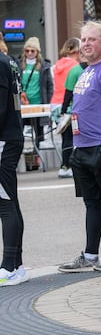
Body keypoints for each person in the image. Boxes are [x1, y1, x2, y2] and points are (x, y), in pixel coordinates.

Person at [57, 22, 101, 273]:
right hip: (81, 147)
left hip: (100, 148)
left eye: (92, 39)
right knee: (91, 203)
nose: (85, 44)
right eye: (83, 39)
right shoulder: (86, 70)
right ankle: (91, 254)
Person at [0, 51, 25, 286]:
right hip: (11, 135)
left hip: (4, 139)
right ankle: (15, 264)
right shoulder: (8, 60)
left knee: (5, 203)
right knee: (10, 202)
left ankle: (9, 266)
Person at [50, 38, 81, 177]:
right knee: (70, 137)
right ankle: (66, 165)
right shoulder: (75, 66)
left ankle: (65, 165)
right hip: (67, 104)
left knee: (65, 137)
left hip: (55, 103)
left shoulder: (57, 64)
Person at [17, 36, 52, 154]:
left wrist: (47, 101)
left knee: (38, 131)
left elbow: (49, 85)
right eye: (27, 50)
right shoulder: (19, 64)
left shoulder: (43, 66)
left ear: (37, 52)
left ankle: (36, 154)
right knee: (19, 129)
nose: (30, 53)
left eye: (33, 51)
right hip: (22, 103)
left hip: (38, 103)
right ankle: (19, 152)